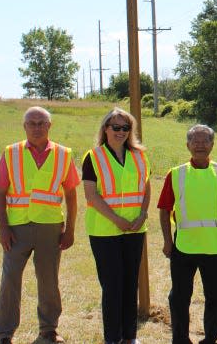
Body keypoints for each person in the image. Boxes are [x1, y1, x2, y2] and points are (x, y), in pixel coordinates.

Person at [0, 106, 79, 344]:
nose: (37, 127)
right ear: (24, 127)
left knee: (49, 280)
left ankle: (49, 330)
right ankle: (4, 333)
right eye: (32, 123)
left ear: (49, 126)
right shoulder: (11, 153)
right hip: (16, 228)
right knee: (10, 280)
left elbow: (71, 195)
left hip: (50, 228)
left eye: (42, 123)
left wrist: (70, 229)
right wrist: (3, 228)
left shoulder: (63, 154)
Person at [158, 124, 217, 344]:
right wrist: (168, 241)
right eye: (195, 141)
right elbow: (164, 208)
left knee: (215, 299)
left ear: (212, 145)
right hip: (184, 247)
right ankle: (181, 339)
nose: (200, 145)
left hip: (215, 248)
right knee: (179, 298)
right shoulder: (176, 174)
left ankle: (210, 339)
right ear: (187, 145)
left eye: (205, 140)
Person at [82, 108, 151, 344]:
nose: (120, 132)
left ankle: (130, 337)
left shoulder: (140, 156)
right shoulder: (93, 156)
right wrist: (117, 219)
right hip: (104, 232)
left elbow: (146, 187)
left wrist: (142, 215)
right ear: (105, 129)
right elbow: (91, 195)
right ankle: (112, 338)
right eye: (116, 127)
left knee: (130, 284)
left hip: (134, 229)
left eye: (125, 128)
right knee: (112, 286)